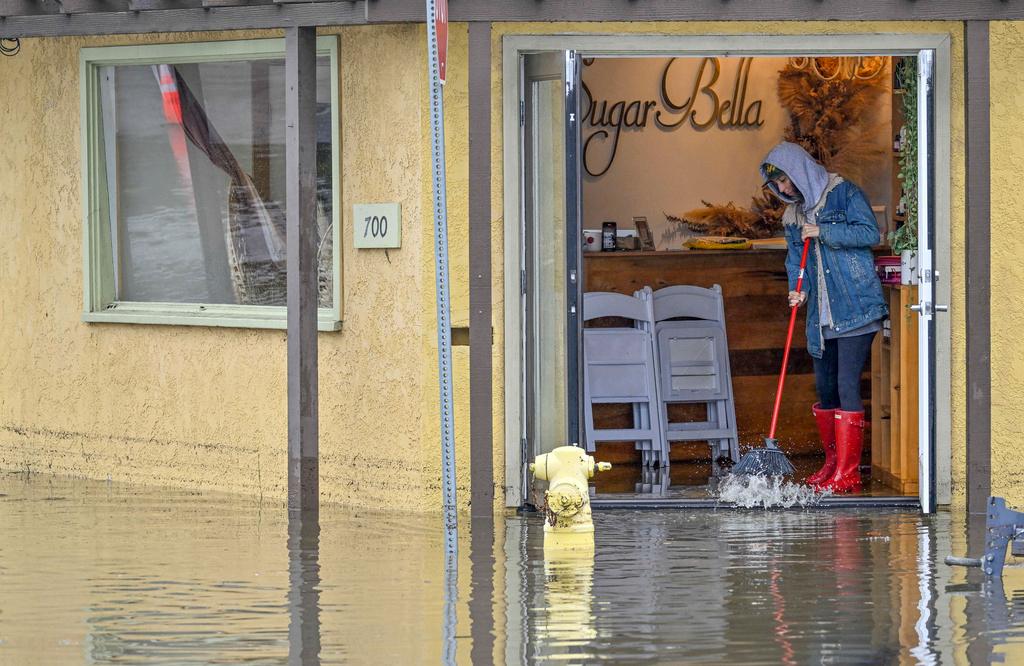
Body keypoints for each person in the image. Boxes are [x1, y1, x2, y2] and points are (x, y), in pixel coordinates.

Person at [760, 142, 888, 493]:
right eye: (778, 185)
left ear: (800, 171)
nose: (783, 190)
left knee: (847, 384)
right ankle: (832, 465)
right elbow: (794, 260)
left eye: (786, 181)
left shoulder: (843, 193)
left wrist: (824, 232)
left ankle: (848, 473)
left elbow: (869, 234)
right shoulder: (793, 216)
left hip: (856, 307)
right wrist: (797, 289)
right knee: (826, 387)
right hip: (821, 316)